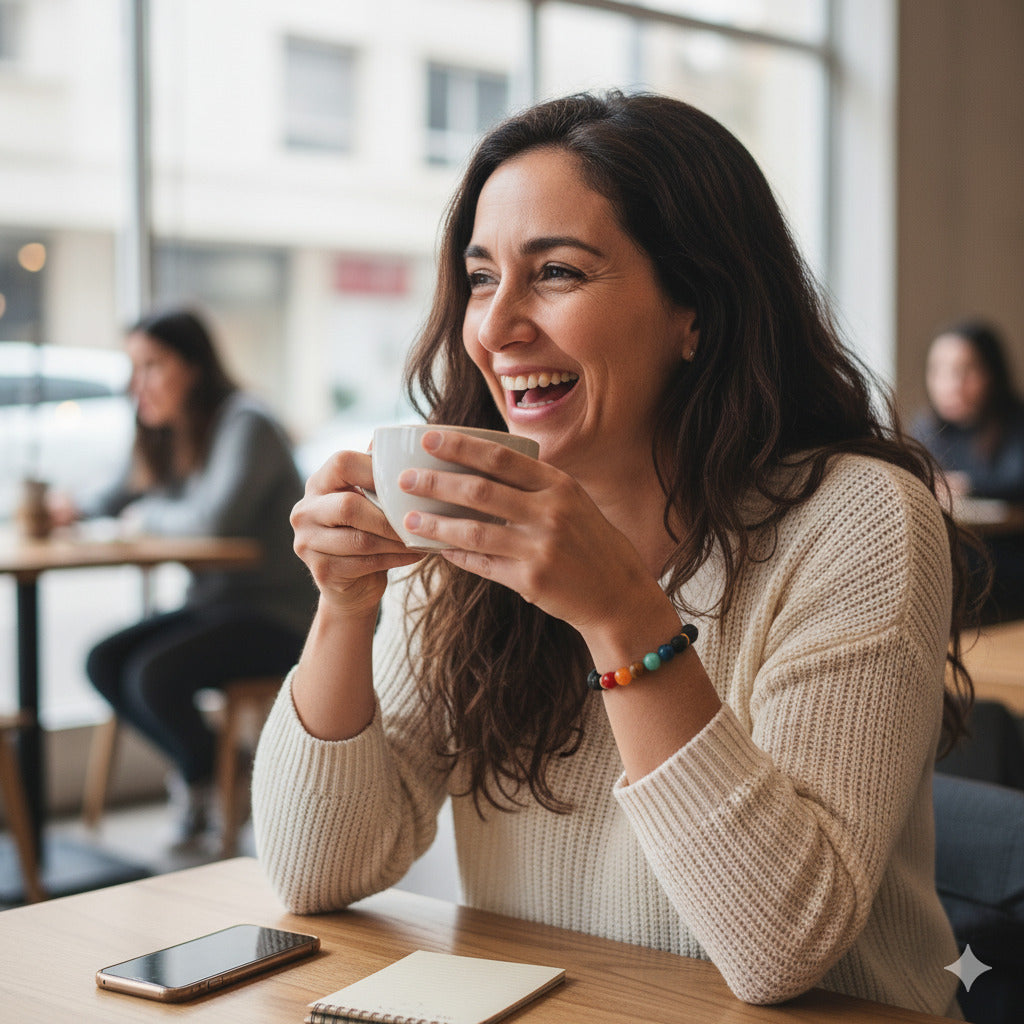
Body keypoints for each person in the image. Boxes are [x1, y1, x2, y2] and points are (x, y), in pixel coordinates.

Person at [252, 92, 973, 1016]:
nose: (495, 325)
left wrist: (621, 616)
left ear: (695, 312)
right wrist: (345, 606)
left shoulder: (857, 521)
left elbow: (782, 950)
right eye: (480, 278)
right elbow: (318, 872)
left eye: (555, 271)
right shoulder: (471, 527)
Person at [57, 309, 316, 848]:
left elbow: (214, 523)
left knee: (153, 675)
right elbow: (115, 496)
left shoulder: (246, 422)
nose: (137, 384)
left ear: (194, 367)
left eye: (152, 366)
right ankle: (214, 768)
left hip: (278, 615)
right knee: (103, 661)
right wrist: (72, 508)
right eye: (132, 369)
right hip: (216, 607)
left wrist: (135, 519)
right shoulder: (171, 432)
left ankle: (210, 775)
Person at [914, 318, 1024, 620]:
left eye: (965, 371)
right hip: (957, 545)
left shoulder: (1014, 423)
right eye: (938, 371)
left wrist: (967, 484)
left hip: (1007, 552)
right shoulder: (927, 429)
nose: (951, 384)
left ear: (992, 374)